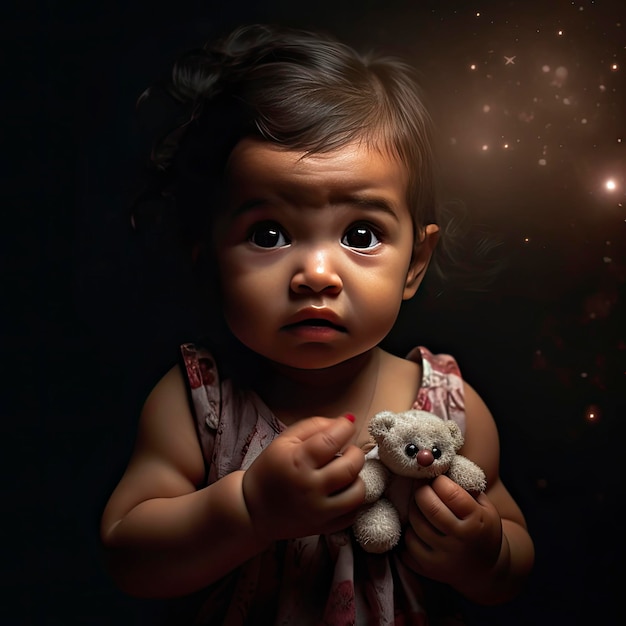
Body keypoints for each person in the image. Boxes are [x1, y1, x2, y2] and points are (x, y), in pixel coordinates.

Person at [100, 23, 534, 625]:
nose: (316, 274)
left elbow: (513, 558)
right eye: (268, 234)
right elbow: (128, 555)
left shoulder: (448, 409)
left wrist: (483, 556)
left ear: (415, 264)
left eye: (361, 235)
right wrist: (250, 511)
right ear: (211, 261)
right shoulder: (201, 403)